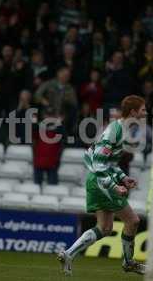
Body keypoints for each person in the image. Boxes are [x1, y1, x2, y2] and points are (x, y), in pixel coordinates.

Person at [57, 95, 147, 276]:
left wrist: (123, 178)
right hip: (101, 181)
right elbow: (99, 164)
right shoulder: (115, 130)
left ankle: (68, 254)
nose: (146, 112)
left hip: (98, 179)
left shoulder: (121, 129)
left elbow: (110, 163)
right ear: (133, 112)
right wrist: (115, 187)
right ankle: (128, 263)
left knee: (105, 228)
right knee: (133, 220)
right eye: (143, 109)